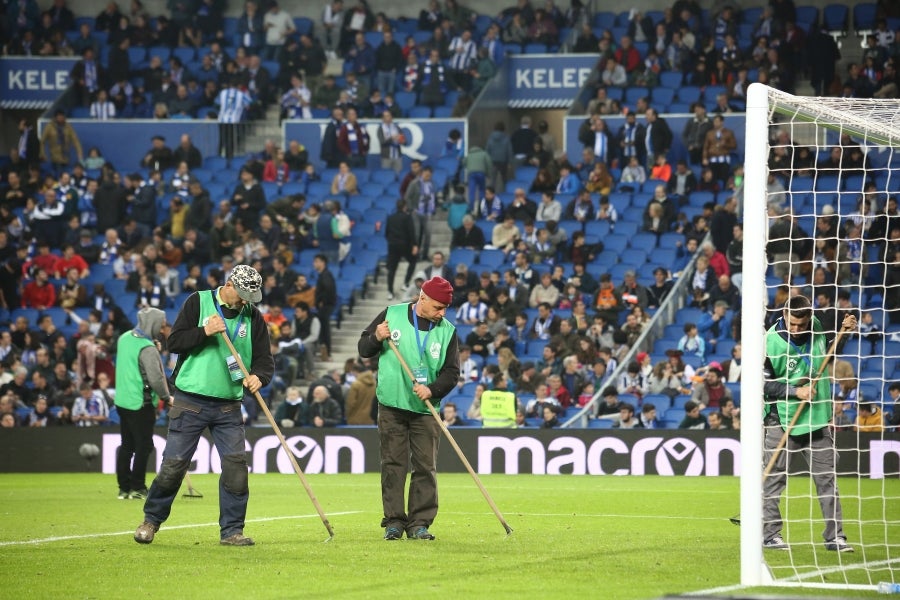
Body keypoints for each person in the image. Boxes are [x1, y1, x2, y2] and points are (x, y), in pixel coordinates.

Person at [134, 265, 274, 547]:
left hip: (228, 407)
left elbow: (264, 360)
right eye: (244, 294)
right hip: (190, 401)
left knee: (236, 469)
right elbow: (174, 342)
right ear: (230, 285)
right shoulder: (198, 302)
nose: (247, 301)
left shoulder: (253, 317)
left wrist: (260, 377)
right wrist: (205, 330)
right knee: (173, 466)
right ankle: (150, 521)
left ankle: (232, 531)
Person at [357, 276, 460, 541]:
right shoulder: (391, 315)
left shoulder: (447, 330)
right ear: (422, 298)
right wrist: (376, 337)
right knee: (393, 464)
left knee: (426, 466)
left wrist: (433, 389)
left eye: (445, 308)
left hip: (425, 408)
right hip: (392, 404)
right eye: (438, 307)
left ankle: (419, 524)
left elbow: (451, 372)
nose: (442, 313)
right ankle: (394, 521)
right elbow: (364, 348)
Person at [762, 295, 856, 553]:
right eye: (792, 324)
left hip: (816, 418)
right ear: (784, 313)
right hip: (781, 419)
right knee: (773, 479)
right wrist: (796, 391)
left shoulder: (817, 325)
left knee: (827, 479)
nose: (796, 329)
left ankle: (835, 537)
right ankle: (770, 535)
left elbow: (829, 352)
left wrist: (844, 333)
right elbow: (763, 384)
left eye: (801, 325)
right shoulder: (769, 341)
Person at [115, 307, 172, 500]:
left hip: (122, 401)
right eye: (161, 324)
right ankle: (138, 487)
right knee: (144, 446)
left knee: (126, 445)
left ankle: (124, 488)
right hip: (141, 402)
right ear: (153, 323)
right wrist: (166, 397)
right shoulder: (147, 349)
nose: (162, 327)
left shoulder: (123, 338)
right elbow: (156, 379)